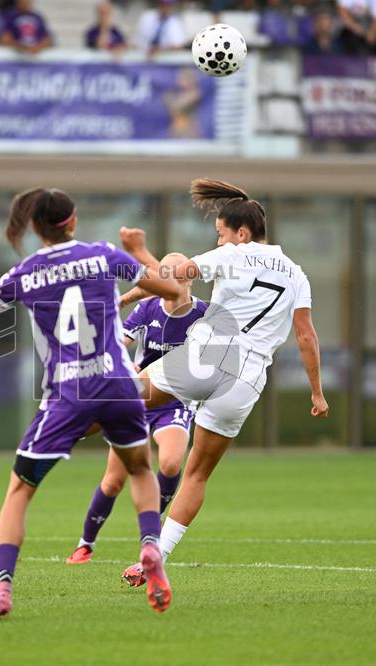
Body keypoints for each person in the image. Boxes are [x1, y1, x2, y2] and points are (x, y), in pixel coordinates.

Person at [0, 187, 183, 619]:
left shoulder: (24, 272)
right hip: (119, 384)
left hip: (68, 393)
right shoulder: (103, 255)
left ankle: (2, 589)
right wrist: (138, 251)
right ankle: (150, 546)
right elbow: (171, 288)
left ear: (35, 227)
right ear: (73, 220)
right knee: (140, 468)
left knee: (20, 490)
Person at [116, 179, 330, 586]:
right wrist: (317, 392)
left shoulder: (233, 255)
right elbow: (306, 336)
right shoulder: (297, 275)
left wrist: (127, 296)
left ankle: (64, 423)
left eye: (220, 234)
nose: (218, 241)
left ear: (241, 234)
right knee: (196, 475)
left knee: (122, 397)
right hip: (246, 380)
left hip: (208, 354)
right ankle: (155, 557)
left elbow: (171, 278)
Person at [66, 252, 209, 565]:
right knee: (114, 480)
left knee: (171, 463)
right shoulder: (147, 308)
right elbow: (117, 344)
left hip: (175, 401)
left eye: (181, 274)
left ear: (191, 278)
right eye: (167, 274)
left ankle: (153, 523)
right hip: (140, 399)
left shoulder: (204, 314)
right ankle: (85, 543)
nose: (175, 280)